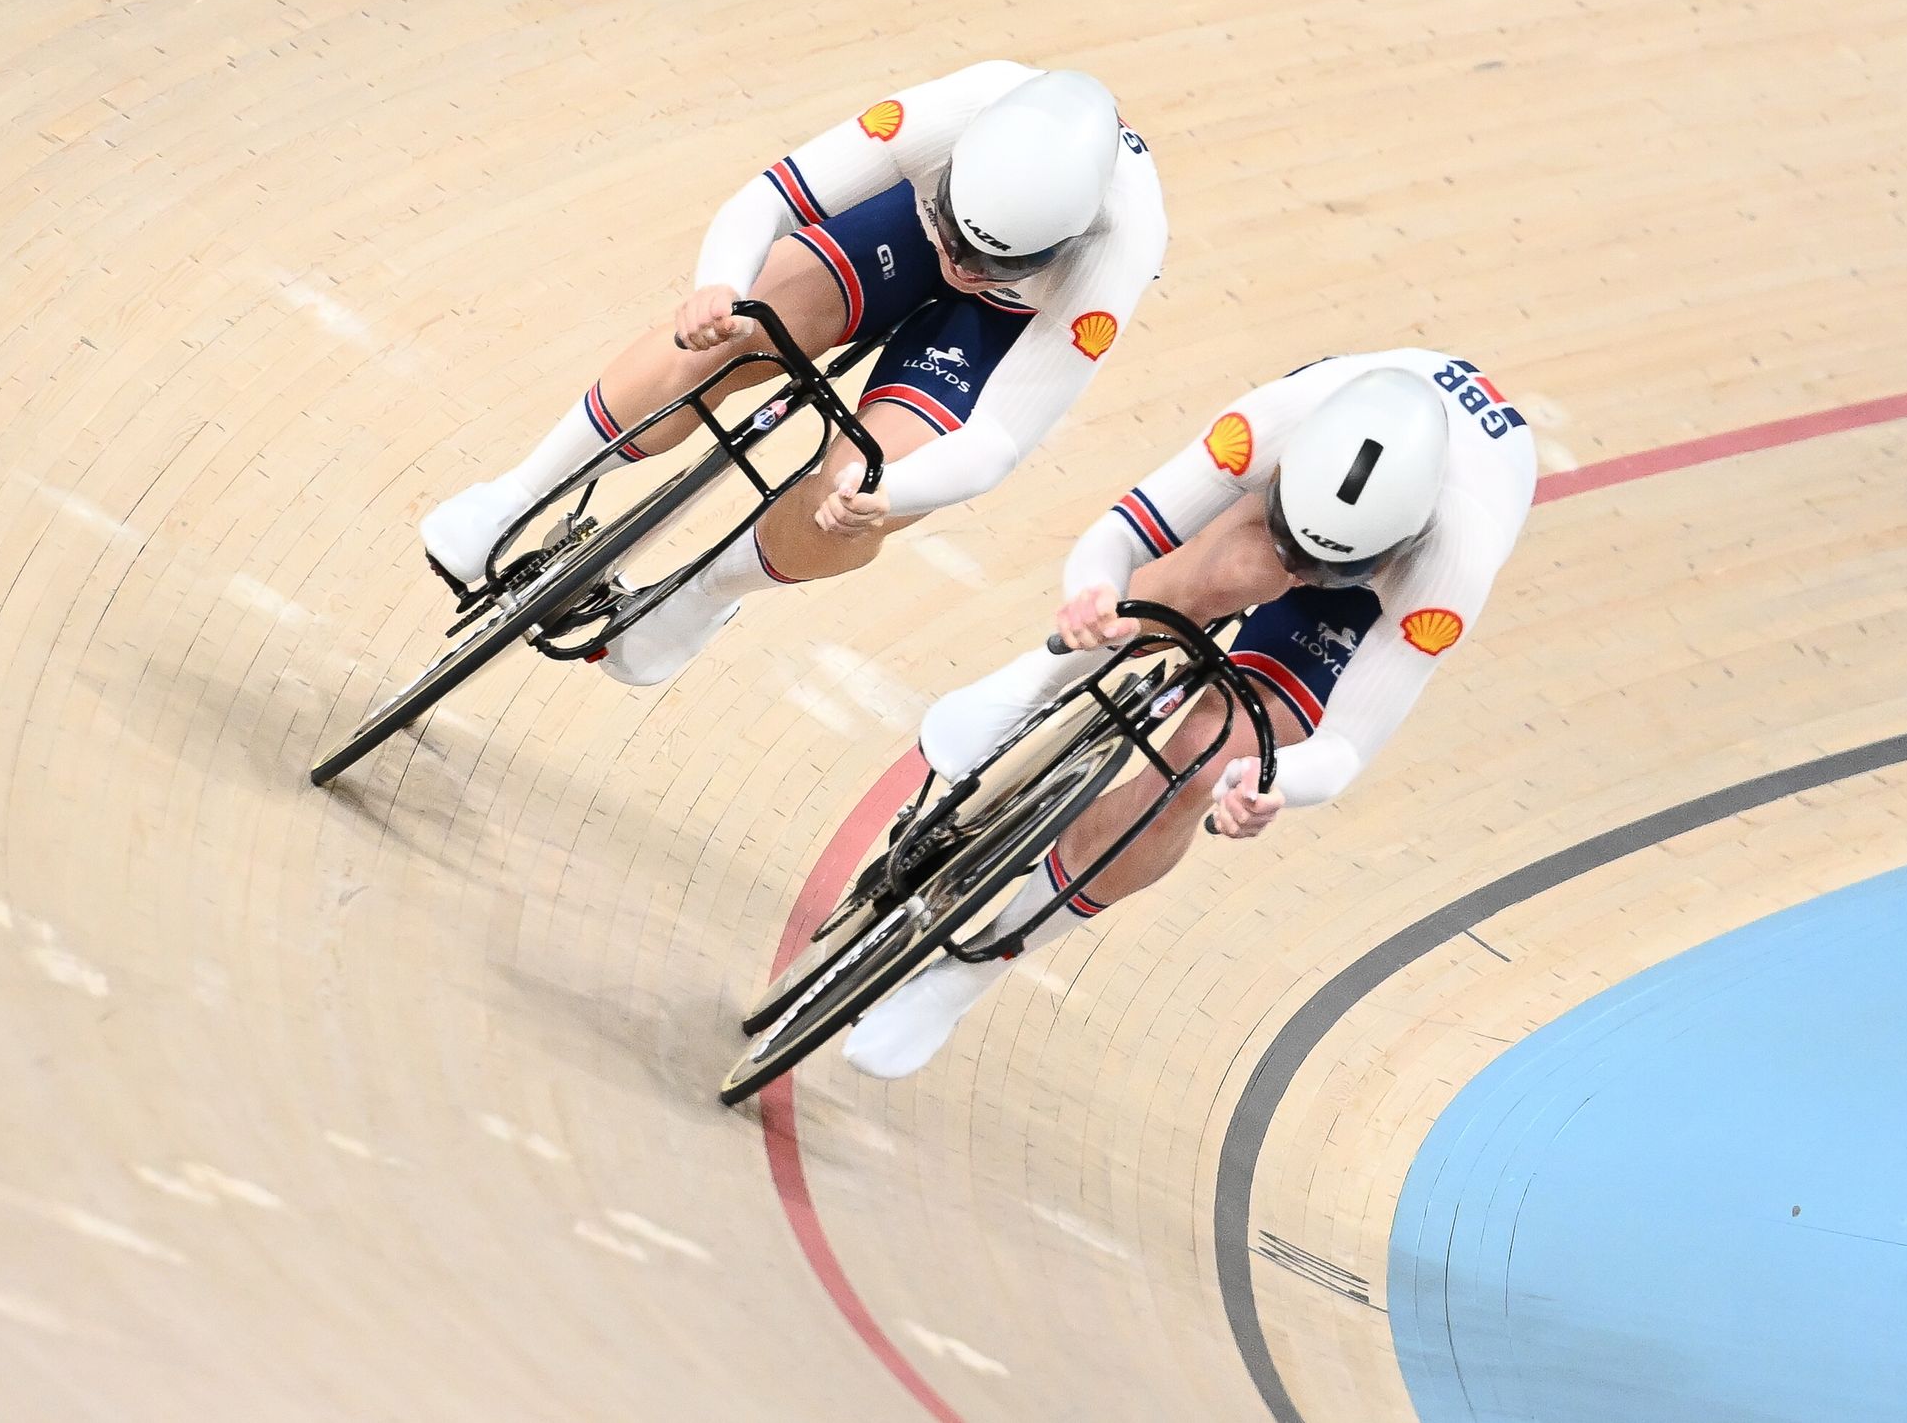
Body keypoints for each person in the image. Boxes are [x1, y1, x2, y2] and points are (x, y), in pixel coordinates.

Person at [842, 351, 1537, 1078]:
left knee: (1204, 765)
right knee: (1216, 578)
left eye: (1327, 569)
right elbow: (1122, 537)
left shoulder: (1453, 564)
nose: (1303, 574)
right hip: (1307, 483)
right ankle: (1032, 683)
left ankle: (971, 973)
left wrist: (1267, 784)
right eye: (1298, 548)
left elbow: (1346, 748)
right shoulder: (1270, 425)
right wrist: (1093, 599)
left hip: (1389, 570)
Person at [420, 61, 1166, 685]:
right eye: (960, 238)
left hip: (1006, 325)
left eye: (995, 260)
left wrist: (889, 494)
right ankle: (512, 496)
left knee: (859, 491)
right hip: (901, 226)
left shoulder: (1118, 250)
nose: (963, 267)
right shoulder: (951, 112)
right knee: (728, 335)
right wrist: (717, 286)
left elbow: (999, 437)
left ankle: (699, 598)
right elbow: (770, 197)